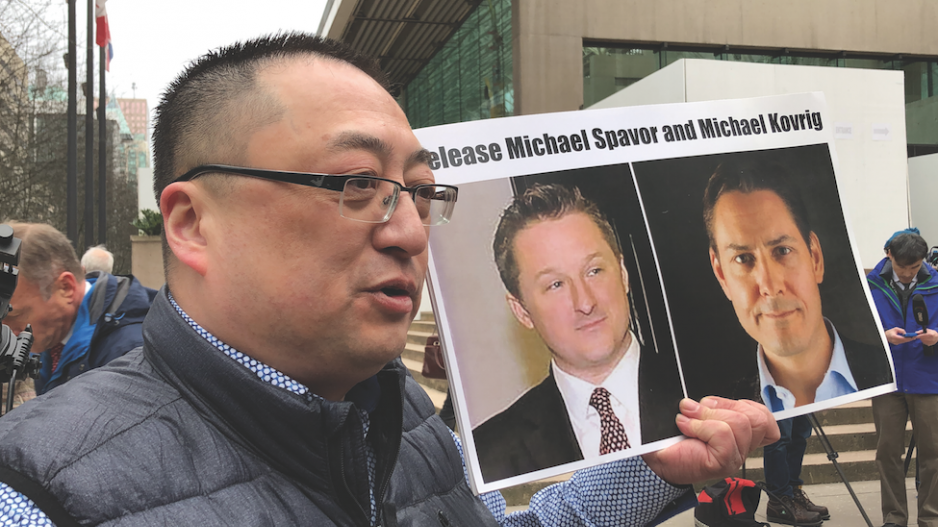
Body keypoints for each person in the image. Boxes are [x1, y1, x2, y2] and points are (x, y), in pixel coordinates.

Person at [0, 34, 778, 526]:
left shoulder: (399, 410)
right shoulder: (38, 497)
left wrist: (644, 472)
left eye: (420, 191)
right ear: (193, 223)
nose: (409, 230)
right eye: (355, 185)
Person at [702, 159, 890, 525]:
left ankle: (791, 489)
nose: (770, 285)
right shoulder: (723, 382)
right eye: (743, 258)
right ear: (721, 274)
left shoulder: (874, 366)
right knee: (780, 437)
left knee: (799, 432)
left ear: (814, 256)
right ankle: (780, 499)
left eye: (782, 251)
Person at [473, 183, 685, 482]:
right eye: (555, 285)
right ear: (522, 311)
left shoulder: (719, 389)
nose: (585, 302)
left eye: (594, 271)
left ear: (622, 273)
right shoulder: (487, 456)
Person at [3, 222, 157, 395]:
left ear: (66, 288)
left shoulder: (131, 356)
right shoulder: (53, 335)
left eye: (15, 315)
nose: (8, 331)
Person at [867, 229, 938, 527]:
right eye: (902, 267)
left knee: (933, 454)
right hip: (888, 379)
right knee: (887, 453)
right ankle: (894, 518)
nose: (908, 274)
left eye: (914, 267)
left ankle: (931, 518)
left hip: (928, 379)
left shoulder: (935, 282)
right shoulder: (870, 286)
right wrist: (883, 337)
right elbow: (858, 330)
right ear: (889, 255)